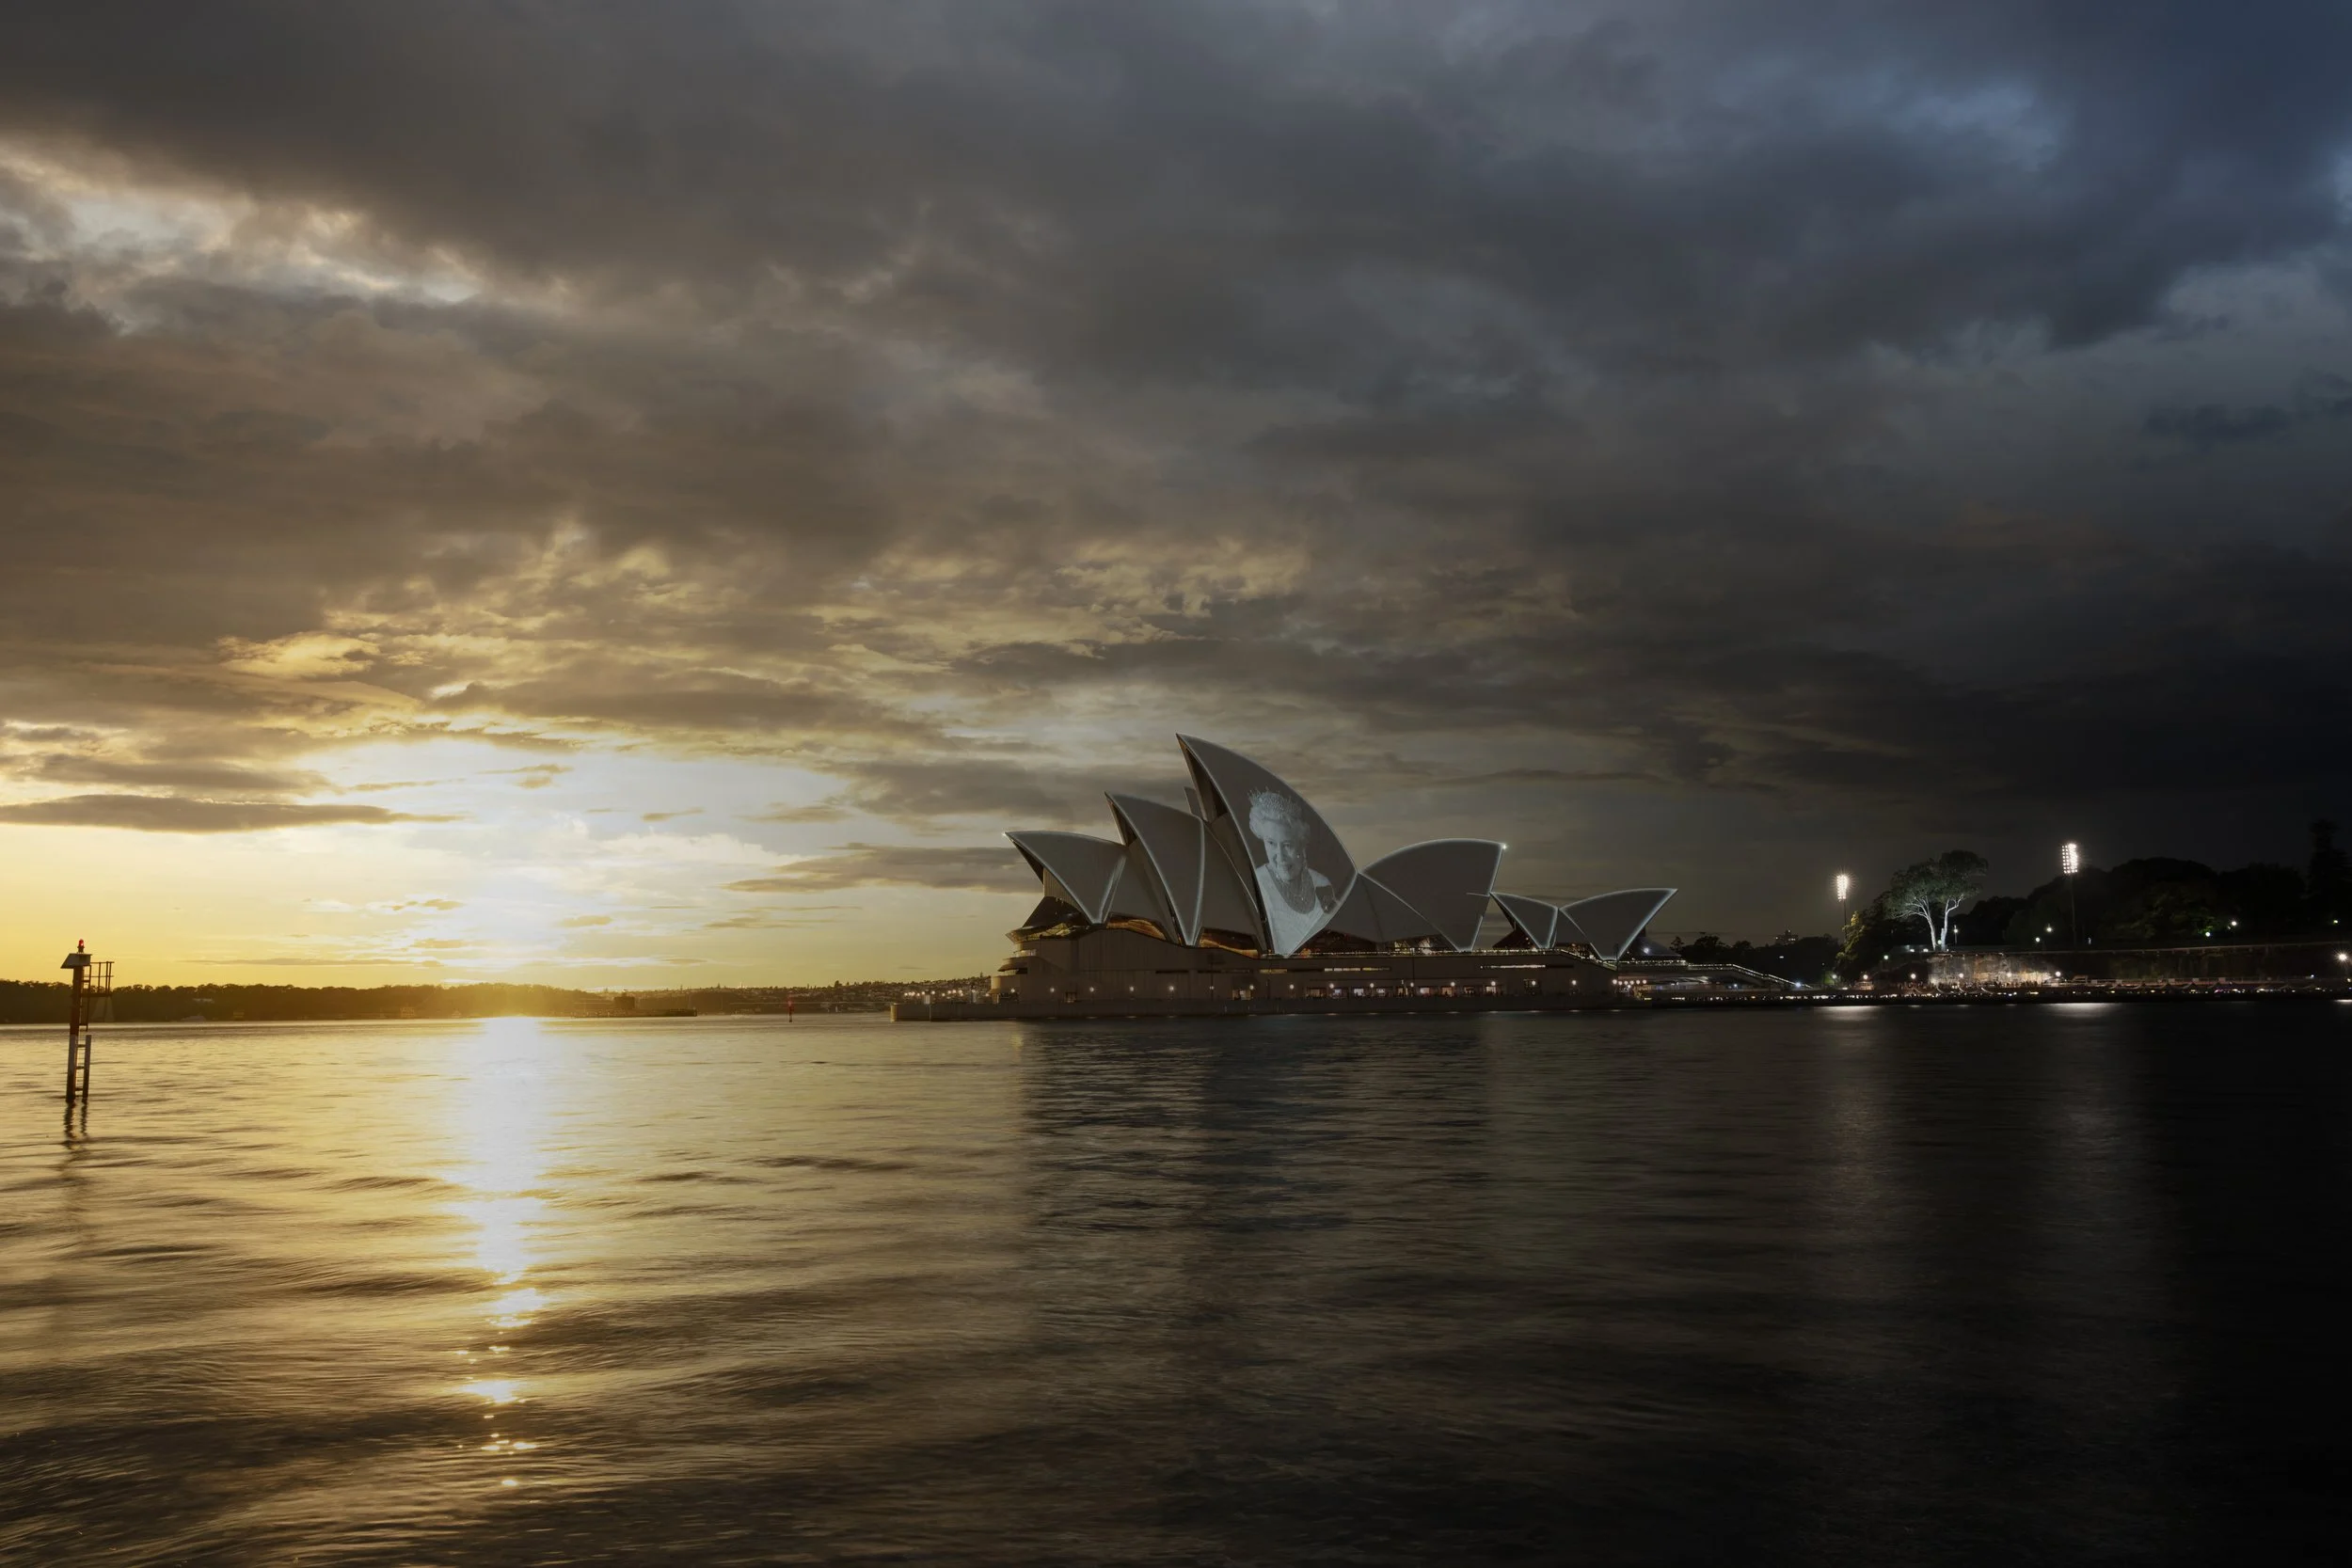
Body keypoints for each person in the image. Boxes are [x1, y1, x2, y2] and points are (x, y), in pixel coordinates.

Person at [1247, 787, 1339, 954]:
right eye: (1271, 843)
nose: (1279, 856)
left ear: (1301, 844)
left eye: (1287, 845)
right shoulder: (1257, 885)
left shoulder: (1322, 883)